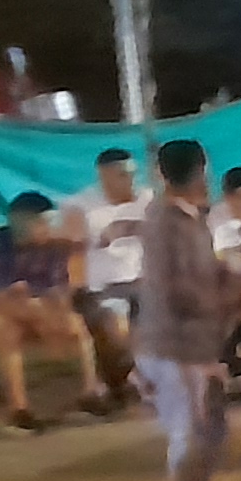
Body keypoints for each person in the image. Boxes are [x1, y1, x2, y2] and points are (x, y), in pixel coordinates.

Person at [132, 137, 237, 481]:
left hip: (191, 342)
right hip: (175, 345)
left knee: (210, 430)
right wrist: (229, 293)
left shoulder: (185, 218)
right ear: (201, 172)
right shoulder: (167, 221)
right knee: (192, 431)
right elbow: (178, 290)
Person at [0, 193, 89, 432]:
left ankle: (91, 393)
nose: (47, 228)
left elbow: (58, 293)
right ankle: (19, 411)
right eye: (41, 222)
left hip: (25, 307)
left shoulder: (52, 249)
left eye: (50, 222)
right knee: (5, 330)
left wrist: (53, 317)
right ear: (19, 221)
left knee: (73, 322)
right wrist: (37, 312)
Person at [69, 147, 149, 413]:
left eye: (133, 174)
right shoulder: (82, 206)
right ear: (104, 176)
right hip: (100, 287)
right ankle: (124, 382)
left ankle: (129, 382)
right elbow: (71, 249)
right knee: (114, 325)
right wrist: (101, 237)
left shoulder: (147, 199)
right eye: (123, 175)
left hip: (142, 281)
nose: (130, 180)